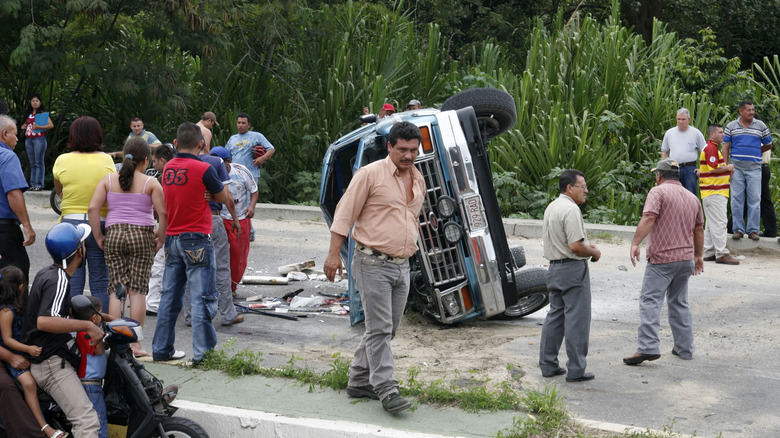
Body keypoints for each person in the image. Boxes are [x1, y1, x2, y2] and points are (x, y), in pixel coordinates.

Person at [324, 121, 425, 414]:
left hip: (402, 265)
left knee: (387, 329)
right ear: (390, 147)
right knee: (380, 329)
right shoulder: (369, 174)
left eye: (413, 150)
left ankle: (357, 379)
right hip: (371, 263)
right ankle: (386, 388)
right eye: (402, 149)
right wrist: (333, 255)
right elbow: (343, 215)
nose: (408, 155)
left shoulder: (417, 178)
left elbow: (411, 217)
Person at [152, 122, 234, 364]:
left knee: (170, 297)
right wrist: (208, 193)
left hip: (172, 239)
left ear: (175, 144)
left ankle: (161, 348)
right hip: (197, 238)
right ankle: (203, 353)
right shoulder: (203, 168)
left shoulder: (166, 170)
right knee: (201, 297)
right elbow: (222, 196)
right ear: (201, 144)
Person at [23, 222, 104, 437]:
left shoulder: (48, 273)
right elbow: (45, 321)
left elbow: (66, 310)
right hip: (50, 365)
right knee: (87, 421)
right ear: (79, 252)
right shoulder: (58, 279)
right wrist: (87, 325)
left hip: (50, 360)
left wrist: (109, 319)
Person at [88, 137, 167, 357]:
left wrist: (99, 236)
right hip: (141, 235)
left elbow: (93, 208)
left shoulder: (109, 180)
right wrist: (161, 237)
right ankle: (135, 345)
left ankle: (116, 341)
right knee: (138, 290)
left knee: (116, 289)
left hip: (114, 234)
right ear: (145, 161)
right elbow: (163, 213)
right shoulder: (150, 183)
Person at [624, 158, 704, 365]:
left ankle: (648, 346)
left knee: (650, 300)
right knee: (679, 303)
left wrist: (635, 243)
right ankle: (684, 348)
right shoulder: (692, 197)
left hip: (662, 259)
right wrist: (698, 256)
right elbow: (699, 229)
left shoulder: (657, 192)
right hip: (685, 259)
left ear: (659, 175)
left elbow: (649, 217)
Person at [538, 169, 601, 383]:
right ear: (569, 188)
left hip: (554, 268)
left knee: (555, 317)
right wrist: (594, 252)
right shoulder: (571, 209)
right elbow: (575, 246)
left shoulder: (552, 207)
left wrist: (584, 247)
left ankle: (548, 365)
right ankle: (576, 370)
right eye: (582, 186)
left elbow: (567, 242)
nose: (586, 190)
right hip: (572, 270)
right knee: (577, 320)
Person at [53, 116, 115, 311]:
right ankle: (100, 326)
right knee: (100, 280)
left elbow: (59, 191)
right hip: (100, 223)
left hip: (70, 226)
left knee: (72, 279)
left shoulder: (62, 160)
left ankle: (72, 329)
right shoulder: (106, 159)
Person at [0, 266, 66, 438]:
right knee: (29, 384)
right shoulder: (7, 312)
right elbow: (7, 340)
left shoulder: (18, 307)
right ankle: (44, 427)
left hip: (22, 352)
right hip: (12, 353)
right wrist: (27, 349)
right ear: (21, 288)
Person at [191, 141, 242, 326]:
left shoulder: (179, 165)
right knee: (221, 267)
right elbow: (227, 194)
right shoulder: (216, 162)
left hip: (188, 223)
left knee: (192, 268)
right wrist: (235, 220)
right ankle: (228, 314)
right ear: (202, 143)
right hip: (212, 219)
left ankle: (190, 315)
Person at [210, 146, 258, 295]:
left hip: (241, 217)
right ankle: (220, 287)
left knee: (239, 256)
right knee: (218, 255)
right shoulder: (210, 172)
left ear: (227, 161)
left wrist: (251, 206)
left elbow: (254, 191)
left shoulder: (241, 171)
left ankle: (232, 286)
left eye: (219, 162)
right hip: (220, 218)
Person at [723, 101, 773, 241]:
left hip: (755, 169)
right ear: (741, 111)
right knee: (736, 199)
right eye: (749, 110)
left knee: (755, 199)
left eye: (753, 110)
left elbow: (768, 144)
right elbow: (726, 147)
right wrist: (726, 166)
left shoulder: (760, 126)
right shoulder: (731, 126)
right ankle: (738, 229)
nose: (752, 112)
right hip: (736, 168)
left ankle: (753, 231)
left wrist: (756, 152)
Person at [225, 112, 275, 242]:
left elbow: (271, 149)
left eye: (243, 123)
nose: (240, 125)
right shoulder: (232, 139)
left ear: (249, 125)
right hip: (235, 175)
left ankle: (249, 233)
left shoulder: (256, 136)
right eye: (238, 123)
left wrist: (261, 158)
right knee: (238, 203)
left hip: (251, 174)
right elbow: (227, 156)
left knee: (247, 203)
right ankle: (247, 231)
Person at [0, 114, 35, 282]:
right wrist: (27, 225)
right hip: (4, 230)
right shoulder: (7, 157)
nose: (17, 139)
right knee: (14, 279)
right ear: (4, 134)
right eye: (15, 134)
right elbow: (13, 193)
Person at [698, 124, 738, 265]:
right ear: (712, 134)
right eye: (720, 132)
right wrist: (728, 167)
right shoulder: (711, 148)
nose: (723, 134)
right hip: (715, 191)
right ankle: (721, 253)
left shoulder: (711, 147)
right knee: (720, 223)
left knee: (711, 223)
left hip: (712, 191)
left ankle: (709, 252)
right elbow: (713, 169)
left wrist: (726, 170)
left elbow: (709, 169)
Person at [72, 296, 108, 438]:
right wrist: (101, 338)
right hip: (89, 383)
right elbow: (97, 350)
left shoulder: (85, 330)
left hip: (93, 383)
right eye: (100, 313)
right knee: (98, 420)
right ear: (94, 318)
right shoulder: (84, 333)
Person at [146, 143, 175, 315]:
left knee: (159, 265)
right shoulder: (177, 176)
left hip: (169, 227)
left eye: (155, 161)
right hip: (176, 226)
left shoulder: (162, 180)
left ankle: (154, 302)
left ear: (163, 161)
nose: (153, 165)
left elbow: (165, 211)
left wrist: (159, 232)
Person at [660, 108, 706, 196]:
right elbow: (665, 152)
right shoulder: (670, 133)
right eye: (679, 119)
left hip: (690, 169)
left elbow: (705, 152)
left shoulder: (696, 133)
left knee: (690, 195)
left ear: (689, 120)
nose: (680, 122)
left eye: (683, 119)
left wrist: (702, 169)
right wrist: (663, 169)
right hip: (673, 168)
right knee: (673, 195)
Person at [19, 94, 54, 191]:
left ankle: (39, 184)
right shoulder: (29, 113)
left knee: (39, 162)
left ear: (40, 103)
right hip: (29, 139)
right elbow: (26, 124)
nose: (34, 102)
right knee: (32, 162)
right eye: (33, 101)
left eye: (37, 101)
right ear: (30, 103)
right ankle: (33, 185)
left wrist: (39, 127)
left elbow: (51, 125)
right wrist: (23, 126)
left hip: (39, 139)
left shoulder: (42, 113)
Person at [759, 149, 777, 238]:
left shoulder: (760, 134)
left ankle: (771, 230)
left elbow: (761, 149)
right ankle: (771, 229)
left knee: (763, 200)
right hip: (762, 167)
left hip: (759, 167)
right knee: (763, 199)